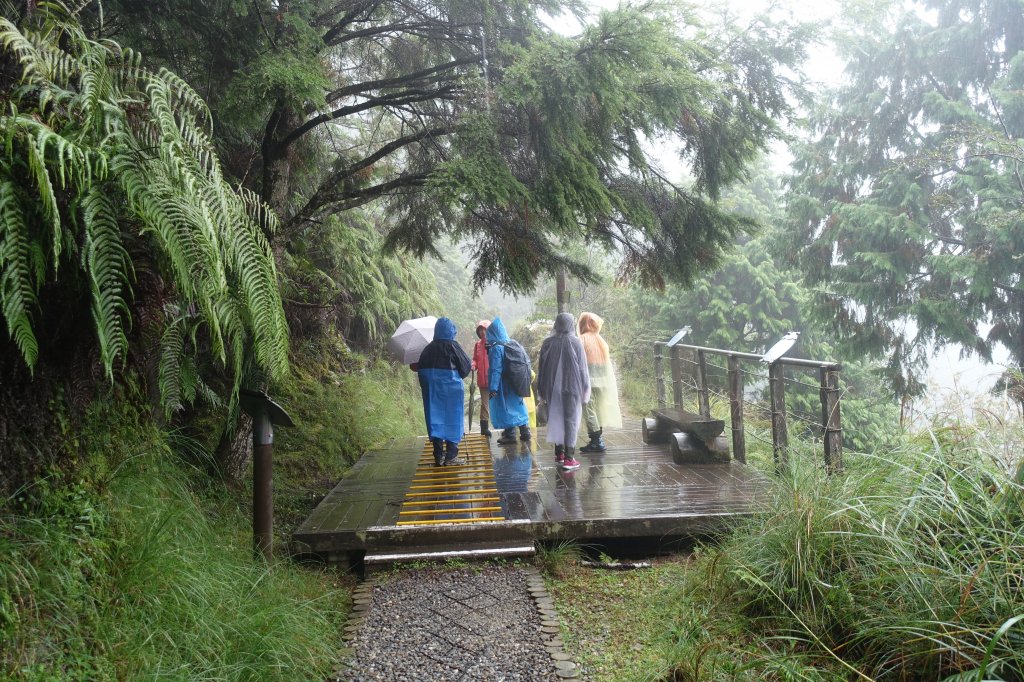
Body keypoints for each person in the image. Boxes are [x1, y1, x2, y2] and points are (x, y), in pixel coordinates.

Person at [536, 312, 591, 470]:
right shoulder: (576, 343)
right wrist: (586, 389)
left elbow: (542, 368)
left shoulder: (547, 343)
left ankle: (559, 453)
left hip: (551, 387)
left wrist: (541, 390)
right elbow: (583, 369)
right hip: (572, 387)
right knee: (571, 420)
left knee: (556, 417)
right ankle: (569, 458)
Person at [416, 317, 472, 466]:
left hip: (432, 392)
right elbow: (465, 369)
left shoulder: (427, 349)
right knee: (452, 419)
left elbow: (419, 370)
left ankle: (438, 456)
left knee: (435, 419)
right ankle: (451, 456)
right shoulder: (453, 346)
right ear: (451, 330)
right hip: (451, 391)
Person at [577, 311, 622, 453]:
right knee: (598, 409)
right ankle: (598, 437)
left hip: (588, 381)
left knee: (589, 409)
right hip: (602, 381)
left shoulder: (581, 340)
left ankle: (596, 441)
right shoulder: (600, 340)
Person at [486, 317, 531, 445]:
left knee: (506, 408)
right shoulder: (513, 344)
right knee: (518, 407)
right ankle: (525, 432)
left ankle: (510, 435)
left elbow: (496, 369)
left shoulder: (497, 348)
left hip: (503, 384)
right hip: (515, 382)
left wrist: (493, 388)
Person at [470, 320, 493, 437]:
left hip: (493, 379)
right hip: (482, 380)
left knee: (496, 404)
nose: (482, 332)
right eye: (480, 330)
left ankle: (507, 428)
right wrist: (473, 365)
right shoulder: (477, 345)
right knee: (485, 404)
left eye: (484, 330)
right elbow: (475, 358)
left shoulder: (494, 343)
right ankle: (484, 428)